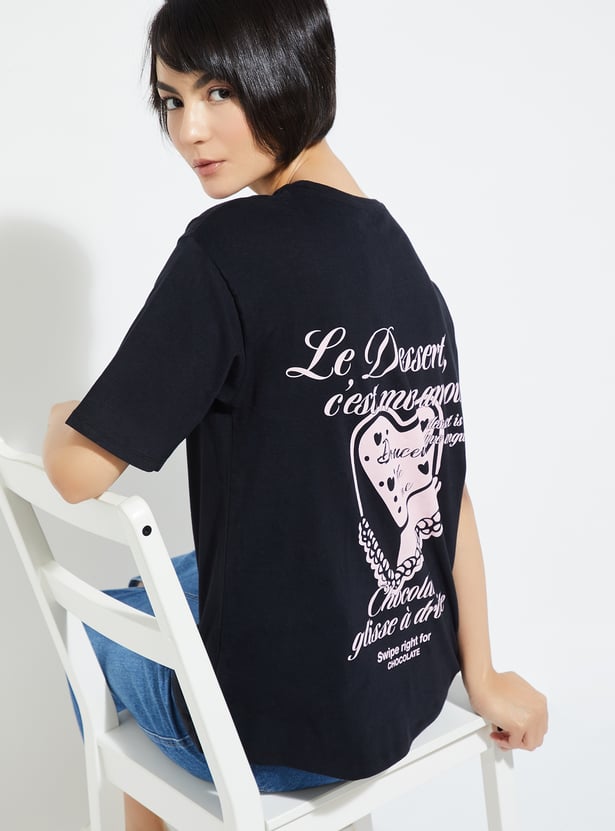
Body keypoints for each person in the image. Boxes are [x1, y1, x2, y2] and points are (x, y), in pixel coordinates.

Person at [43, 1, 548, 829]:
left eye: (218, 92)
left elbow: (75, 474)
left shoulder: (226, 249)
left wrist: (66, 413)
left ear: (289, 76)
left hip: (267, 733)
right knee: (174, 576)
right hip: (403, 690)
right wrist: (482, 675)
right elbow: (443, 492)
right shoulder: (405, 266)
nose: (189, 130)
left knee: (95, 623)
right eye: (171, 100)